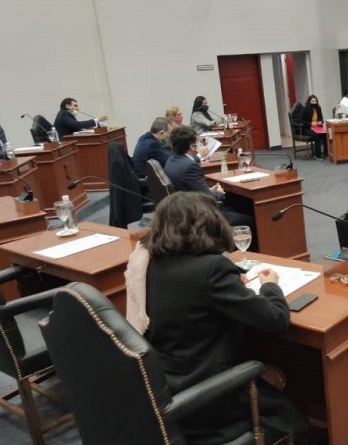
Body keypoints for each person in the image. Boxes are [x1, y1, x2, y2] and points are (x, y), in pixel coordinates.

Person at [136, 191, 310, 444]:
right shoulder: (212, 269)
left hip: (172, 384)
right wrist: (270, 286)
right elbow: (276, 319)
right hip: (214, 396)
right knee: (298, 421)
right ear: (209, 222)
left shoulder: (152, 264)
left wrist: (232, 283)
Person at [164, 125, 253, 226]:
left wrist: (209, 190)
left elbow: (191, 188)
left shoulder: (171, 160)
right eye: (198, 143)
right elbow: (208, 198)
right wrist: (219, 193)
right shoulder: (190, 166)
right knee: (249, 218)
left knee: (240, 204)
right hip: (199, 213)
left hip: (184, 208)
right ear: (192, 147)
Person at [297, 95, 327, 160]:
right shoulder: (305, 109)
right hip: (307, 128)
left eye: (315, 101)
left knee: (326, 134)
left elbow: (321, 118)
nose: (314, 102)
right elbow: (300, 120)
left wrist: (321, 122)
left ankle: (326, 153)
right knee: (317, 135)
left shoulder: (318, 108)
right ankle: (317, 155)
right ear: (309, 101)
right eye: (312, 101)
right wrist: (310, 123)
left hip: (317, 127)